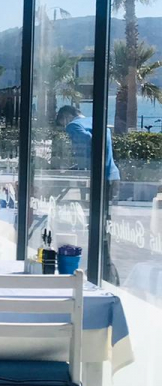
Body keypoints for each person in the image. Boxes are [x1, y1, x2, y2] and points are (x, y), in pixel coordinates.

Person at [54, 104, 120, 283]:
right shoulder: (98, 122)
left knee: (95, 223)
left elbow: (88, 143)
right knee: (104, 223)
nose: (65, 130)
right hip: (112, 176)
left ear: (66, 117)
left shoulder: (73, 125)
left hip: (97, 178)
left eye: (62, 123)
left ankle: (101, 267)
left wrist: (78, 166)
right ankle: (105, 267)